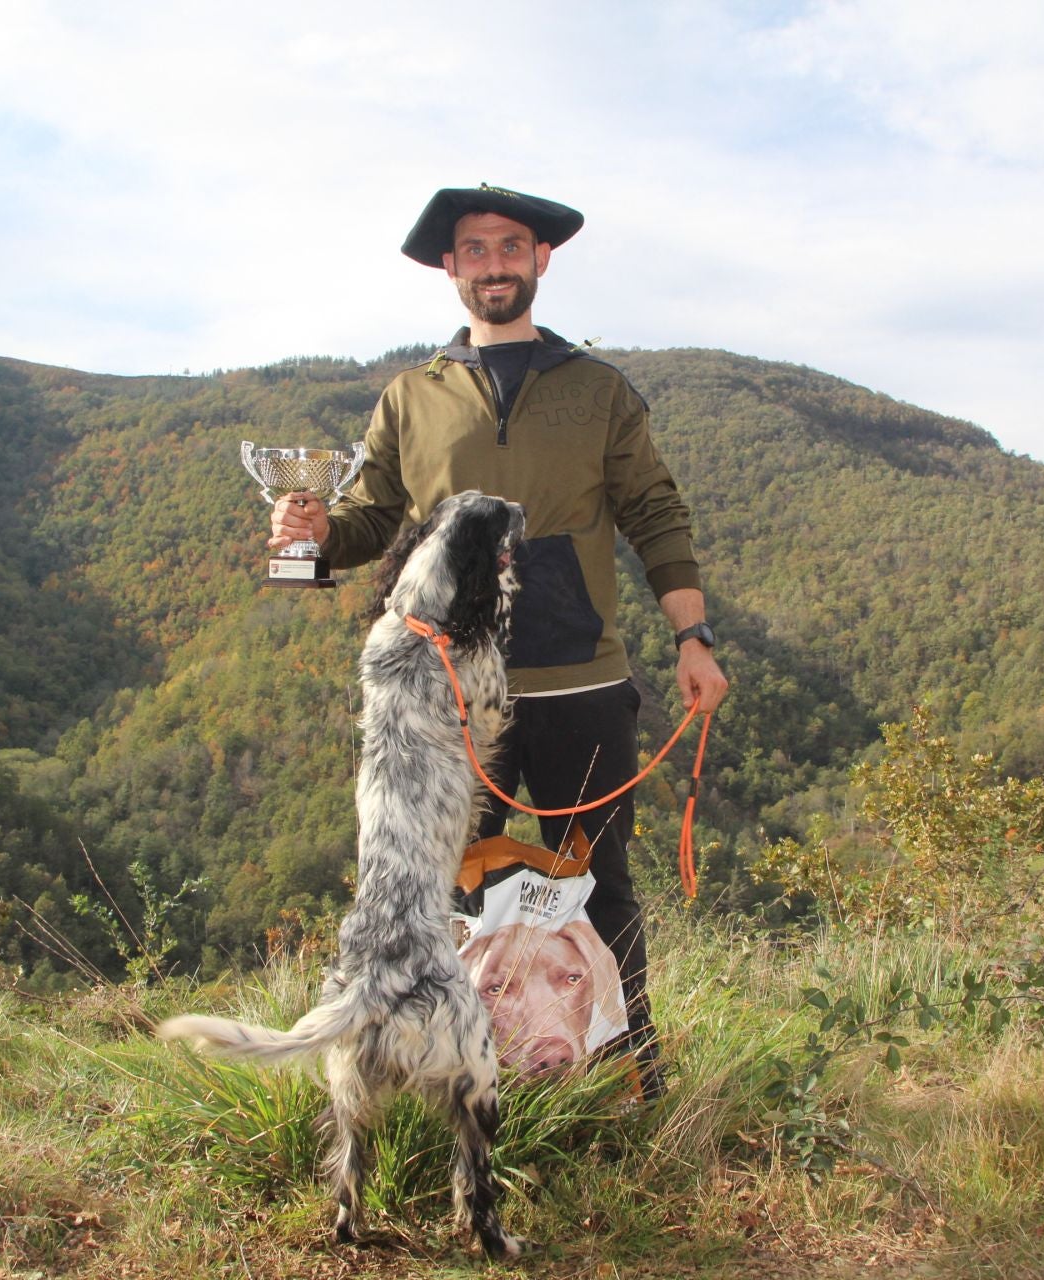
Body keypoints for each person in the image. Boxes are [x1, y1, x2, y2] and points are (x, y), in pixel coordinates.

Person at [268, 182, 729, 1097]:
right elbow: (370, 522)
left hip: (582, 683)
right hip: (447, 697)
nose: (493, 263)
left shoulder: (598, 391)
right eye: (473, 250)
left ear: (540, 260)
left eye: (509, 247)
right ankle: (473, 1082)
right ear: (451, 268)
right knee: (450, 896)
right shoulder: (412, 396)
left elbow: (654, 513)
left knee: (598, 885)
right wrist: (309, 535)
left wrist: (694, 637)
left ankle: (625, 1079)